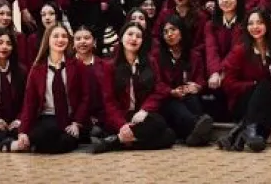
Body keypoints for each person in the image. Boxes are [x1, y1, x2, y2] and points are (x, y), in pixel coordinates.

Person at [92, 22, 178, 153]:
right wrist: (122, 125)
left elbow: (157, 91)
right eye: (130, 34)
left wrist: (144, 110)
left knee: (167, 132)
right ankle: (124, 137)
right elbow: (109, 102)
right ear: (121, 38)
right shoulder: (109, 66)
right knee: (163, 135)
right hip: (118, 117)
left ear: (142, 41)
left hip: (139, 117)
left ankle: (117, 141)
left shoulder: (150, 62)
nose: (134, 39)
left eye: (138, 36)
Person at [9, 25, 90, 153]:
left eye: (64, 36)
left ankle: (27, 144)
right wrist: (22, 131)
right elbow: (30, 103)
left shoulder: (77, 65)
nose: (60, 39)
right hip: (48, 116)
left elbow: (86, 97)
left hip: (70, 118)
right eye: (56, 36)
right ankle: (22, 141)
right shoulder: (37, 69)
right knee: (50, 130)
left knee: (66, 141)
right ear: (48, 40)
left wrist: (77, 122)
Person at [220, 8, 271, 152]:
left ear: (267, 25)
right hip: (241, 102)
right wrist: (254, 85)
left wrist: (266, 90)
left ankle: (240, 132)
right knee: (265, 86)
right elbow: (228, 84)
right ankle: (252, 131)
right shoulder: (240, 51)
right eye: (251, 23)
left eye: (260, 22)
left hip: (263, 104)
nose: (255, 27)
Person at [152, 15, 216, 146]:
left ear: (181, 31)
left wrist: (197, 86)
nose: (169, 34)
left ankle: (194, 135)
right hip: (166, 99)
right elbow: (156, 83)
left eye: (173, 30)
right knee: (175, 105)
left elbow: (201, 79)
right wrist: (171, 91)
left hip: (187, 96)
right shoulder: (156, 56)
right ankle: (198, 128)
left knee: (192, 99)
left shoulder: (194, 55)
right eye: (165, 32)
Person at [204, 0, 245, 120]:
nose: (225, 0)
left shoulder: (246, 22)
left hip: (239, 69)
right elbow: (211, 49)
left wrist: (223, 72)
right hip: (217, 71)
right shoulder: (210, 24)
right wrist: (215, 72)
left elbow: (237, 50)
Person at [73, 26, 109, 138]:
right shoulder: (68, 66)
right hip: (75, 119)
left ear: (94, 42)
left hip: (101, 117)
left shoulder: (104, 66)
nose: (82, 41)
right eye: (78, 39)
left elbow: (108, 98)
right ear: (73, 43)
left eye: (87, 38)